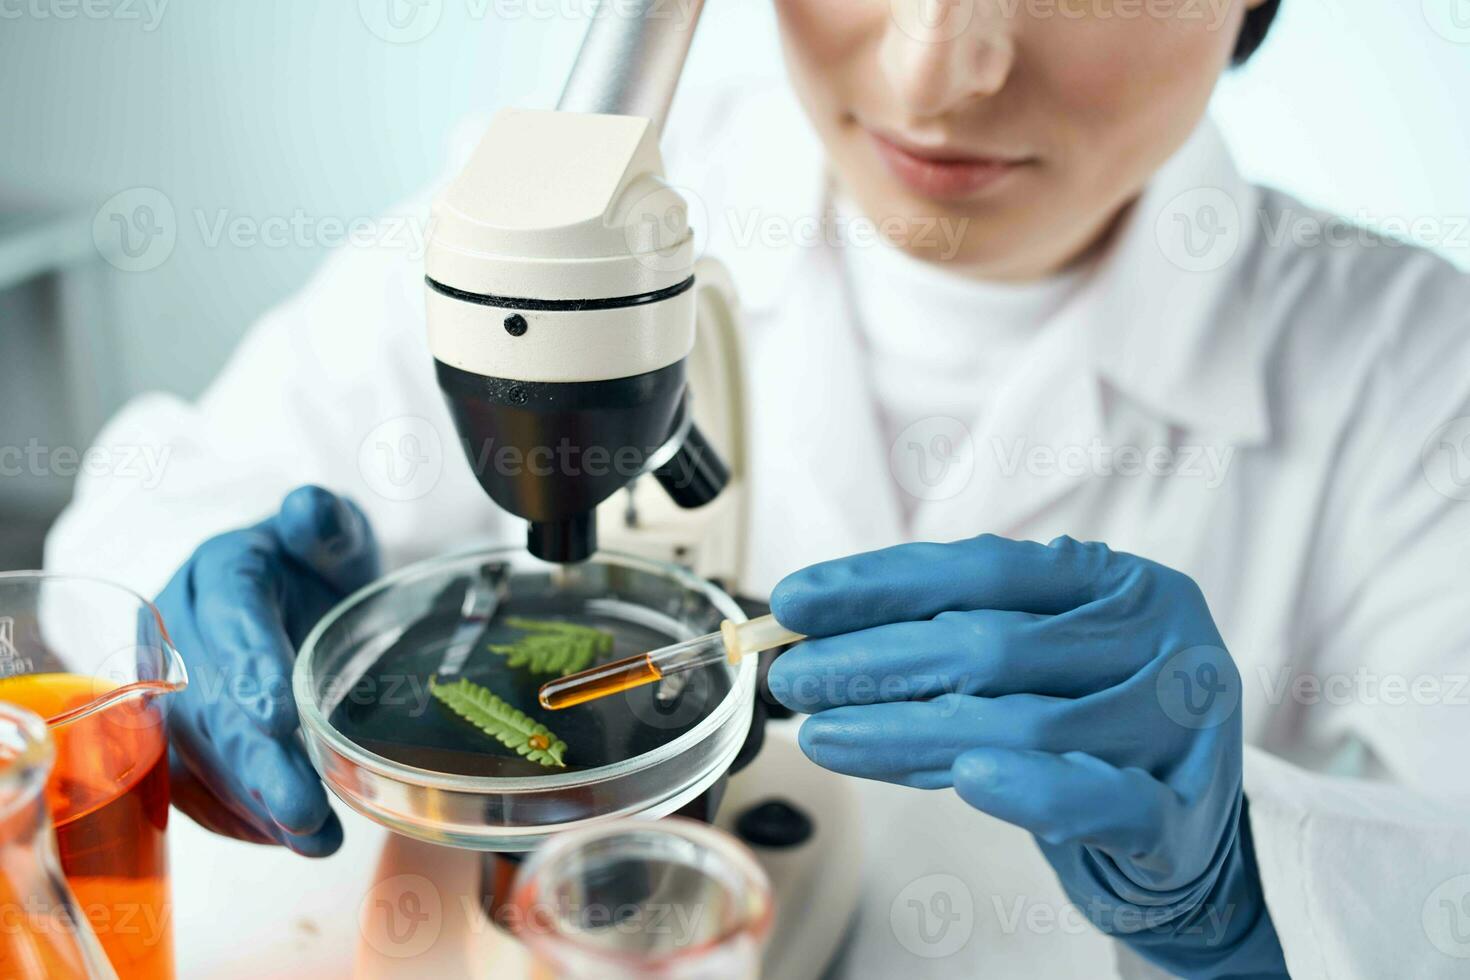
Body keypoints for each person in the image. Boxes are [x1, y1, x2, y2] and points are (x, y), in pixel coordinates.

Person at [45, 0, 1470, 976]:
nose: (938, 71)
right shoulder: (591, 199)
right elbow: (152, 492)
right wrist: (190, 611)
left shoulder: (1408, 367)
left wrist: (1240, 898)